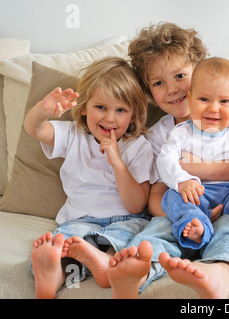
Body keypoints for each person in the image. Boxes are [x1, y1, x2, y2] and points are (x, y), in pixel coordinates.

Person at [107, 22, 229, 299]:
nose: (172, 89)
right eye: (158, 83)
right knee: (158, 227)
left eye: (180, 76)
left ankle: (220, 273)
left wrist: (192, 170)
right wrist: (185, 212)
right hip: (184, 212)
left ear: (199, 71)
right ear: (149, 92)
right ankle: (139, 271)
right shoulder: (161, 134)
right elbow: (156, 197)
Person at [25, 57, 153, 298]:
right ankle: (53, 276)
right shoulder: (73, 135)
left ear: (133, 115)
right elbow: (35, 130)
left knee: (130, 242)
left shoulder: (138, 147)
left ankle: (105, 263)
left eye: (121, 110)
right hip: (78, 220)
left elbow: (137, 204)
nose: (110, 118)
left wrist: (117, 163)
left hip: (125, 220)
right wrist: (43, 110)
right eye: (101, 107)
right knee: (64, 246)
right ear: (84, 107)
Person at [157, 57, 229, 249]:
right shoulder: (181, 132)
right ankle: (196, 225)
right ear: (190, 99)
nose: (213, 108)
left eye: (224, 101)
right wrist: (181, 180)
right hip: (197, 191)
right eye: (204, 99)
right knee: (172, 196)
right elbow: (166, 159)